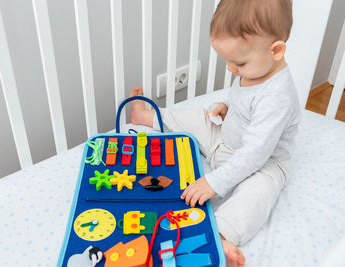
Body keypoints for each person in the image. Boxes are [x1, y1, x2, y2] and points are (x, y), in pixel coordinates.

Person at [129, 0, 301, 266]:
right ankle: (147, 116)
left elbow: (256, 152)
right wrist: (225, 108)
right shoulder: (256, 68)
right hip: (225, 139)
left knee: (258, 194)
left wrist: (214, 182)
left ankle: (220, 236)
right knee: (193, 117)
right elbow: (244, 103)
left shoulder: (278, 96)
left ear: (276, 50)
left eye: (238, 63)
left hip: (264, 163)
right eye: (229, 62)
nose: (232, 69)